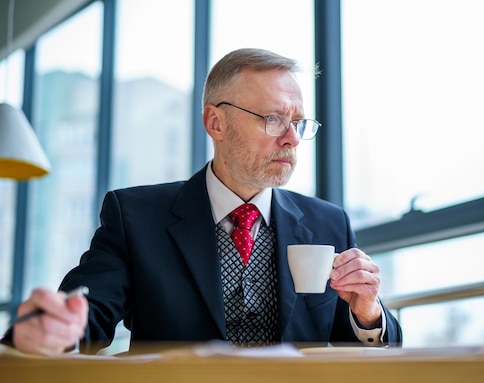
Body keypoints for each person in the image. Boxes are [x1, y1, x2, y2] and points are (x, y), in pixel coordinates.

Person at [2, 48, 402, 355]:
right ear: (216, 123)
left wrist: (367, 313)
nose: (292, 139)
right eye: (274, 119)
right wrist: (48, 329)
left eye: (298, 123)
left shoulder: (328, 222)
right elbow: (87, 314)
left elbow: (363, 347)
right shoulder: (136, 217)